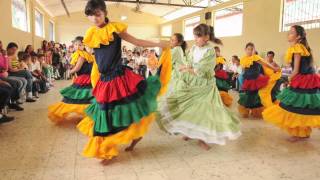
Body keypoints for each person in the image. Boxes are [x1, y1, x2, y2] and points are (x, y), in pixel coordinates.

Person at [76, 0, 169, 164]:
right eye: (91, 15)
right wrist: (95, 77)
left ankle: (118, 144)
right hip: (104, 81)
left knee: (124, 110)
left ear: (104, 12)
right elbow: (97, 59)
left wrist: (158, 44)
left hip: (119, 79)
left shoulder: (115, 29)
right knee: (106, 115)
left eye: (97, 14)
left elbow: (138, 42)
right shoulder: (91, 33)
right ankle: (110, 147)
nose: (95, 18)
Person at [157, 24, 241, 150]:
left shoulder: (210, 51)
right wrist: (184, 68)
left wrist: (188, 69)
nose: (195, 39)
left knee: (203, 112)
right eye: (195, 37)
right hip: (192, 83)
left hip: (205, 86)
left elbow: (204, 68)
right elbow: (188, 62)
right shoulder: (193, 49)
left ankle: (202, 139)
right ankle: (190, 133)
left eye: (198, 37)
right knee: (189, 109)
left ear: (206, 37)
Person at [263, 25, 320, 142]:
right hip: (309, 79)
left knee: (294, 107)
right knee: (304, 106)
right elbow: (294, 67)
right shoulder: (303, 47)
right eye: (289, 32)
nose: (289, 34)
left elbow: (295, 71)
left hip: (303, 79)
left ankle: (299, 133)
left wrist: (288, 80)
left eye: (292, 32)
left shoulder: (297, 47)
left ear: (298, 36)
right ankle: (303, 132)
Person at [48, 36, 95, 123]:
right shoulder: (78, 54)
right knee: (84, 96)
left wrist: (69, 72)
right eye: (76, 44)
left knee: (81, 95)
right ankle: (88, 112)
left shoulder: (82, 55)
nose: (77, 46)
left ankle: (88, 112)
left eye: (80, 45)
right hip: (83, 77)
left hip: (85, 78)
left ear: (84, 46)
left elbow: (77, 68)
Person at [238, 43, 278, 118]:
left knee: (258, 95)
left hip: (257, 79)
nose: (250, 51)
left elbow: (265, 63)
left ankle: (258, 110)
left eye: (252, 49)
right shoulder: (244, 59)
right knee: (249, 95)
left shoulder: (255, 57)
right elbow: (244, 69)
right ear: (245, 50)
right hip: (248, 80)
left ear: (254, 50)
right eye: (248, 49)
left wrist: (274, 68)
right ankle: (249, 110)